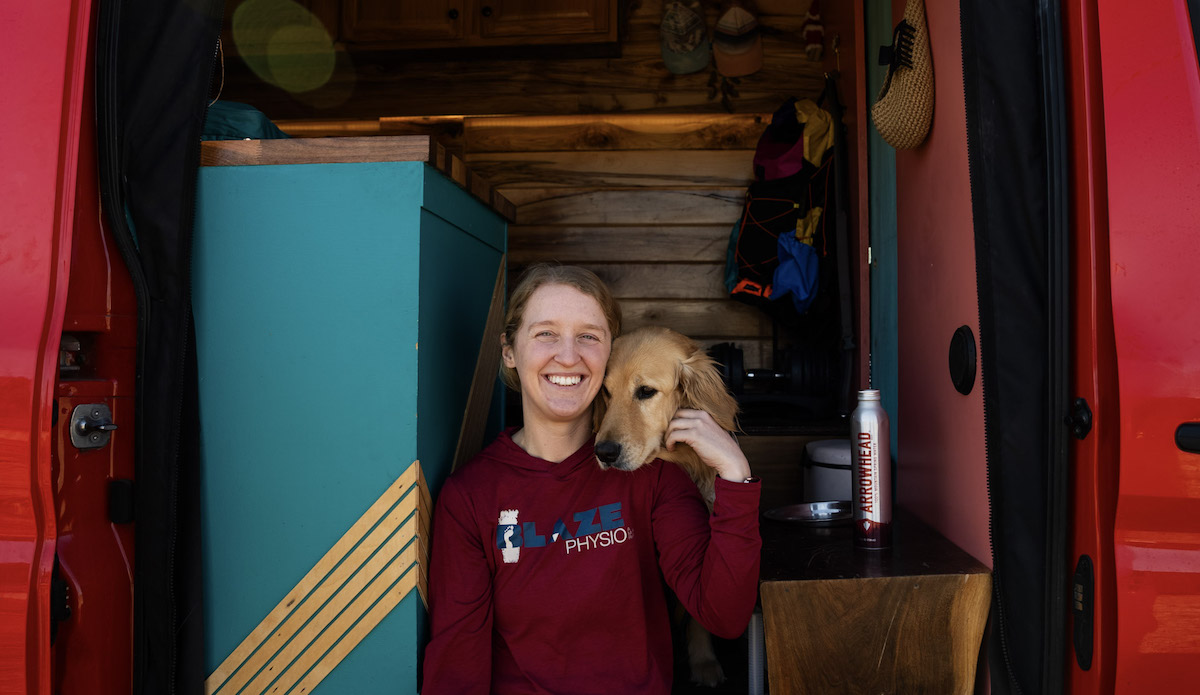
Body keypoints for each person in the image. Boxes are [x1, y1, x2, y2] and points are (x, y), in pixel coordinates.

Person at [421, 264, 761, 694]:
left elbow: (725, 616)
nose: (567, 355)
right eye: (545, 333)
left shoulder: (655, 477)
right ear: (509, 350)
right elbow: (456, 670)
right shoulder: (470, 498)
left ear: (608, 352)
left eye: (588, 336)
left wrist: (735, 475)